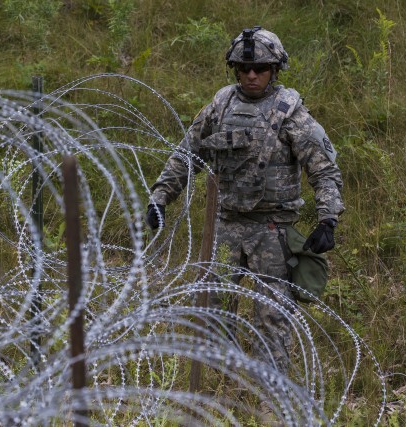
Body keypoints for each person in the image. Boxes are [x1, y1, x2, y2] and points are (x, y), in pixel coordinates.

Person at [145, 26, 345, 372]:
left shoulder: (290, 113)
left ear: (275, 70)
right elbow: (187, 154)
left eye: (261, 69)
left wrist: (327, 219)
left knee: (271, 316)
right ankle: (228, 383)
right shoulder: (220, 105)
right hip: (226, 226)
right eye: (243, 68)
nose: (251, 75)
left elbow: (324, 170)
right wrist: (160, 198)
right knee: (214, 308)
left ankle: (273, 395)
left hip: (272, 230)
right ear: (235, 69)